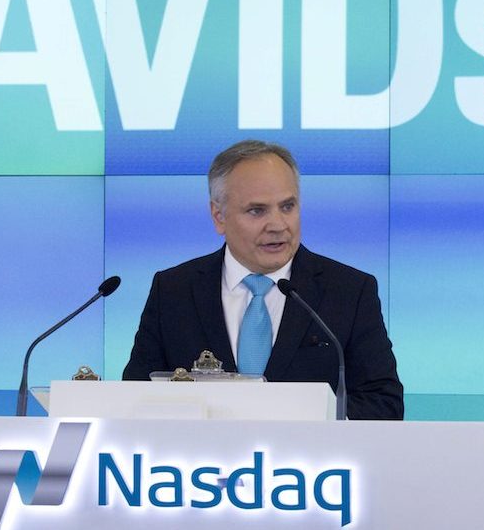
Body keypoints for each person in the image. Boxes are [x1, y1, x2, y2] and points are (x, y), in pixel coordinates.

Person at [123, 140, 404, 420]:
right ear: (218, 216)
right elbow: (134, 399)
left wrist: (298, 415)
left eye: (287, 206)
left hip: (308, 462)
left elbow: (384, 405)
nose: (278, 225)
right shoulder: (174, 291)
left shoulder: (349, 291)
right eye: (257, 210)